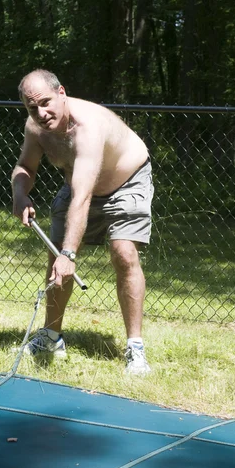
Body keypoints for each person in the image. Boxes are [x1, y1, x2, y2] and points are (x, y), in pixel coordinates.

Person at [12, 69, 154, 376]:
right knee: (55, 258)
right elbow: (25, 166)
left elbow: (82, 198)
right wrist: (20, 193)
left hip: (127, 182)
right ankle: (51, 338)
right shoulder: (36, 128)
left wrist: (70, 254)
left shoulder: (87, 127)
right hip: (76, 185)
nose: (41, 112)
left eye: (46, 102)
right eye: (32, 108)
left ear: (61, 93)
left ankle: (136, 349)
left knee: (123, 253)